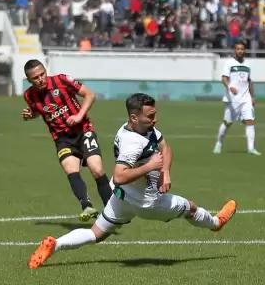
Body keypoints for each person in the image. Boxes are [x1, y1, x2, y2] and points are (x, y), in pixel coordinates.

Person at [28, 93, 237, 269]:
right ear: (134, 118)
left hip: (122, 198)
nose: (155, 120)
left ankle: (54, 245)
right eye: (150, 116)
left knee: (96, 233)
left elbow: (166, 147)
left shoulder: (140, 128)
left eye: (155, 114)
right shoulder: (133, 143)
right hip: (146, 202)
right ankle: (216, 223)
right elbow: (119, 175)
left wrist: (166, 172)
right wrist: (151, 166)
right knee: (190, 207)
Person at [22, 59, 112, 221]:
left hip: (83, 130)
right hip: (62, 138)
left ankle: (113, 210)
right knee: (71, 169)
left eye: (42, 74)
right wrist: (31, 115)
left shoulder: (61, 80)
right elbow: (40, 111)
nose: (40, 79)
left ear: (45, 71)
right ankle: (87, 206)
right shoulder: (29, 95)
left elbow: (89, 95)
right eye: (35, 78)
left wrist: (79, 116)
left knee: (97, 170)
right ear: (29, 80)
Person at [213, 41, 261, 155]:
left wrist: (253, 97)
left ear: (245, 50)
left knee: (250, 121)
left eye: (242, 49)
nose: (240, 51)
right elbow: (224, 78)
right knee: (227, 122)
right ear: (235, 50)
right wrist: (230, 87)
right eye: (238, 49)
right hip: (232, 99)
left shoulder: (248, 64)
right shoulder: (229, 63)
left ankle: (251, 148)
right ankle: (219, 143)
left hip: (246, 99)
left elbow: (250, 81)